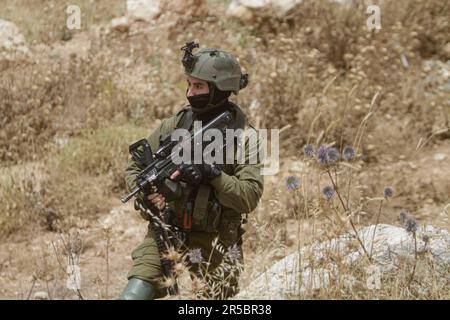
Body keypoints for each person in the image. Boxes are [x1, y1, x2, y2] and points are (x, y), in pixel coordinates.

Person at [118, 43, 264, 300]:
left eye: (198, 86)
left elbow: (249, 197)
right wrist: (149, 194)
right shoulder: (177, 123)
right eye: (188, 84)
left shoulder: (244, 137)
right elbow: (136, 166)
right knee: (132, 295)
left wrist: (212, 174)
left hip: (217, 241)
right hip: (168, 230)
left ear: (220, 89)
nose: (189, 93)